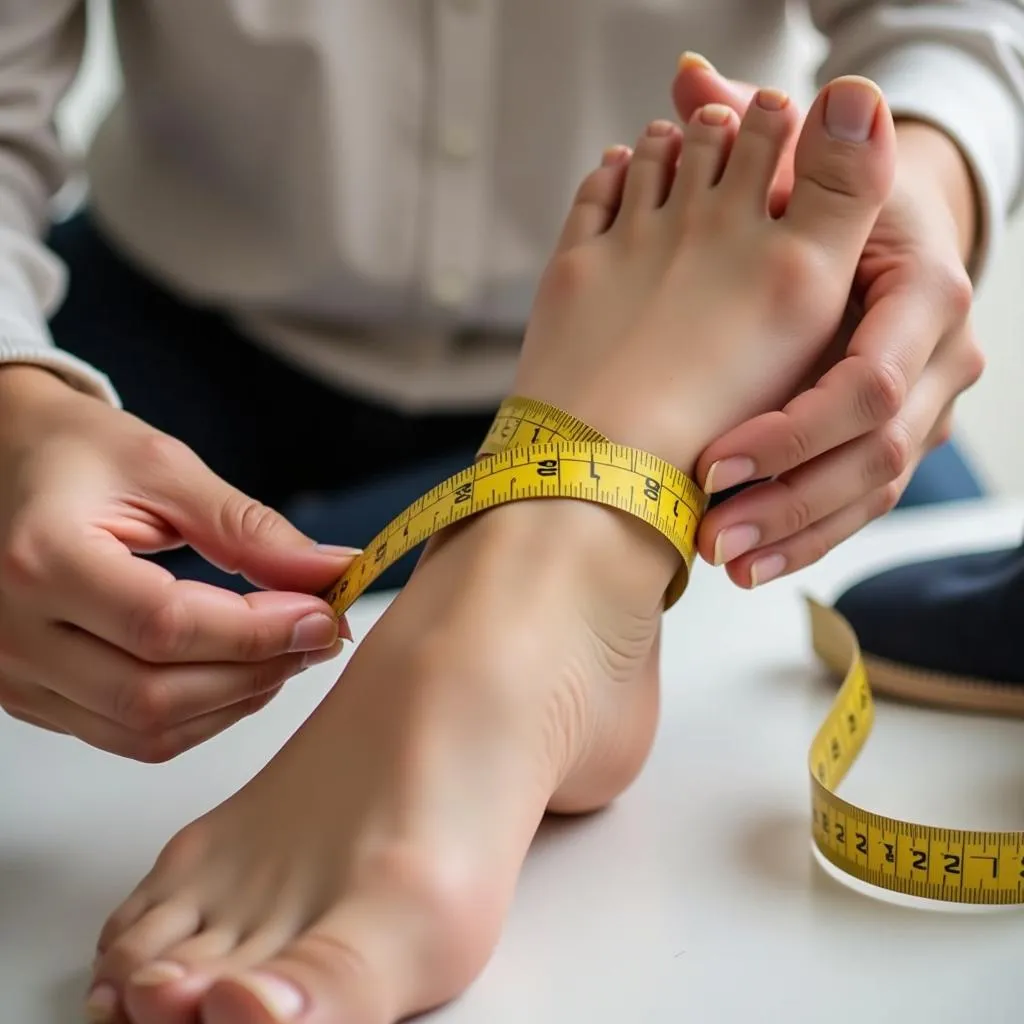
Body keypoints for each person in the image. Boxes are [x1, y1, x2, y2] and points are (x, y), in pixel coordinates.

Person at [1, 1, 1018, 763]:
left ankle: (478, 690)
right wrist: (14, 397)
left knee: (937, 626)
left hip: (680, 369)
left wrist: (922, 186)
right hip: (152, 330)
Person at [86, 74, 901, 1024]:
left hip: (695, 327)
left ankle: (534, 585)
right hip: (169, 317)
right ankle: (542, 566)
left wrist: (918, 204)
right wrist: (19, 392)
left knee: (913, 544)